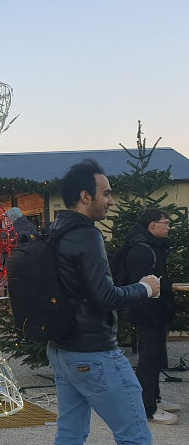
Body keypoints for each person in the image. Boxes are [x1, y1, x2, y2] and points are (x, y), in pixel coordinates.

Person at [46, 159, 161, 444]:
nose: (111, 201)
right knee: (134, 436)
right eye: (106, 193)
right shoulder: (86, 234)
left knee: (70, 433)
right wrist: (146, 288)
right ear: (86, 197)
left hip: (62, 350)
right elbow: (105, 297)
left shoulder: (55, 229)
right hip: (93, 351)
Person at [121, 209, 179, 424]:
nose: (168, 227)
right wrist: (152, 315)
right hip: (148, 314)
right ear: (152, 225)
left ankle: (153, 398)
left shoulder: (152, 246)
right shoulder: (142, 250)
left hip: (156, 312)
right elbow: (140, 288)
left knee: (154, 357)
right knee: (148, 358)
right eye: (166, 223)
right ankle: (147, 409)